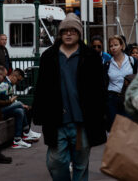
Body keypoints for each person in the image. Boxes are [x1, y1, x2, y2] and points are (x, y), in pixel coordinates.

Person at [33, 13, 107, 181]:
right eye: (65, 30)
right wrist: (39, 114)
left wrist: (102, 115)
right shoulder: (49, 56)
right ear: (60, 33)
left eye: (73, 30)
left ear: (79, 33)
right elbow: (42, 88)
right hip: (57, 120)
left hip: (82, 123)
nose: (68, 34)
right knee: (56, 162)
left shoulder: (90, 56)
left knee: (80, 165)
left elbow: (99, 89)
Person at [0, 68, 41, 145]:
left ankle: (17, 139)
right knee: (20, 105)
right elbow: (3, 102)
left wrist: (18, 104)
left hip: (4, 108)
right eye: (18, 80)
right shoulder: (4, 84)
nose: (18, 83)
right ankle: (27, 132)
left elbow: (9, 99)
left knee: (20, 111)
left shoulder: (8, 83)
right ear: (14, 76)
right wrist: (18, 104)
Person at [104, 35, 138, 129]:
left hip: (129, 98)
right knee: (114, 129)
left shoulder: (132, 61)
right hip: (112, 98)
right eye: (111, 46)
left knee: (128, 128)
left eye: (116, 45)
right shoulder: (108, 64)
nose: (113, 48)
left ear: (122, 46)